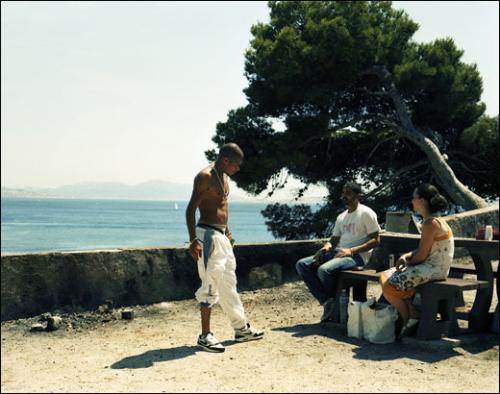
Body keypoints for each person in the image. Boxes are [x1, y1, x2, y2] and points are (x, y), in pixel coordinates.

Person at [186, 143, 264, 353]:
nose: (238, 169)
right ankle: (205, 336)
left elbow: (221, 207)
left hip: (221, 236)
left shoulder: (224, 176)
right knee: (210, 284)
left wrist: (227, 231)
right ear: (226, 160)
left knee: (229, 284)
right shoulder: (205, 176)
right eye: (236, 165)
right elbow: (191, 209)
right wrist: (193, 240)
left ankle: (241, 329)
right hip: (208, 236)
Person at [296, 182, 381, 322]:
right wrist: (323, 250)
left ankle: (334, 305)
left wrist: (351, 250)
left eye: (348, 193)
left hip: (357, 257)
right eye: (343, 193)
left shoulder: (366, 213)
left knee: (324, 270)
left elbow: (376, 240)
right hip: (338, 253)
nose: (344, 196)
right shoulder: (341, 217)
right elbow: (333, 240)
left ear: (358, 195)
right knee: (302, 264)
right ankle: (328, 302)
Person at [380, 183, 454, 338]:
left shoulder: (430, 223)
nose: (412, 201)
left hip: (433, 270)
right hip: (433, 267)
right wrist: (407, 255)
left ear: (423, 201)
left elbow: (421, 256)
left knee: (389, 286)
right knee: (385, 276)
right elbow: (424, 249)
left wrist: (407, 262)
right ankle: (412, 313)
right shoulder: (436, 221)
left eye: (414, 198)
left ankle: (410, 318)